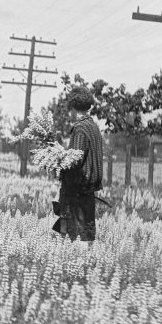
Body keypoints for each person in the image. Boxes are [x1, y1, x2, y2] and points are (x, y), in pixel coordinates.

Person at [55, 86, 104, 243]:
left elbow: (74, 161)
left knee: (72, 240)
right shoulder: (93, 126)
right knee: (87, 237)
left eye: (70, 110)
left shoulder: (80, 128)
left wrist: (56, 160)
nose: (69, 114)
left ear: (74, 109)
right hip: (87, 192)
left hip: (75, 193)